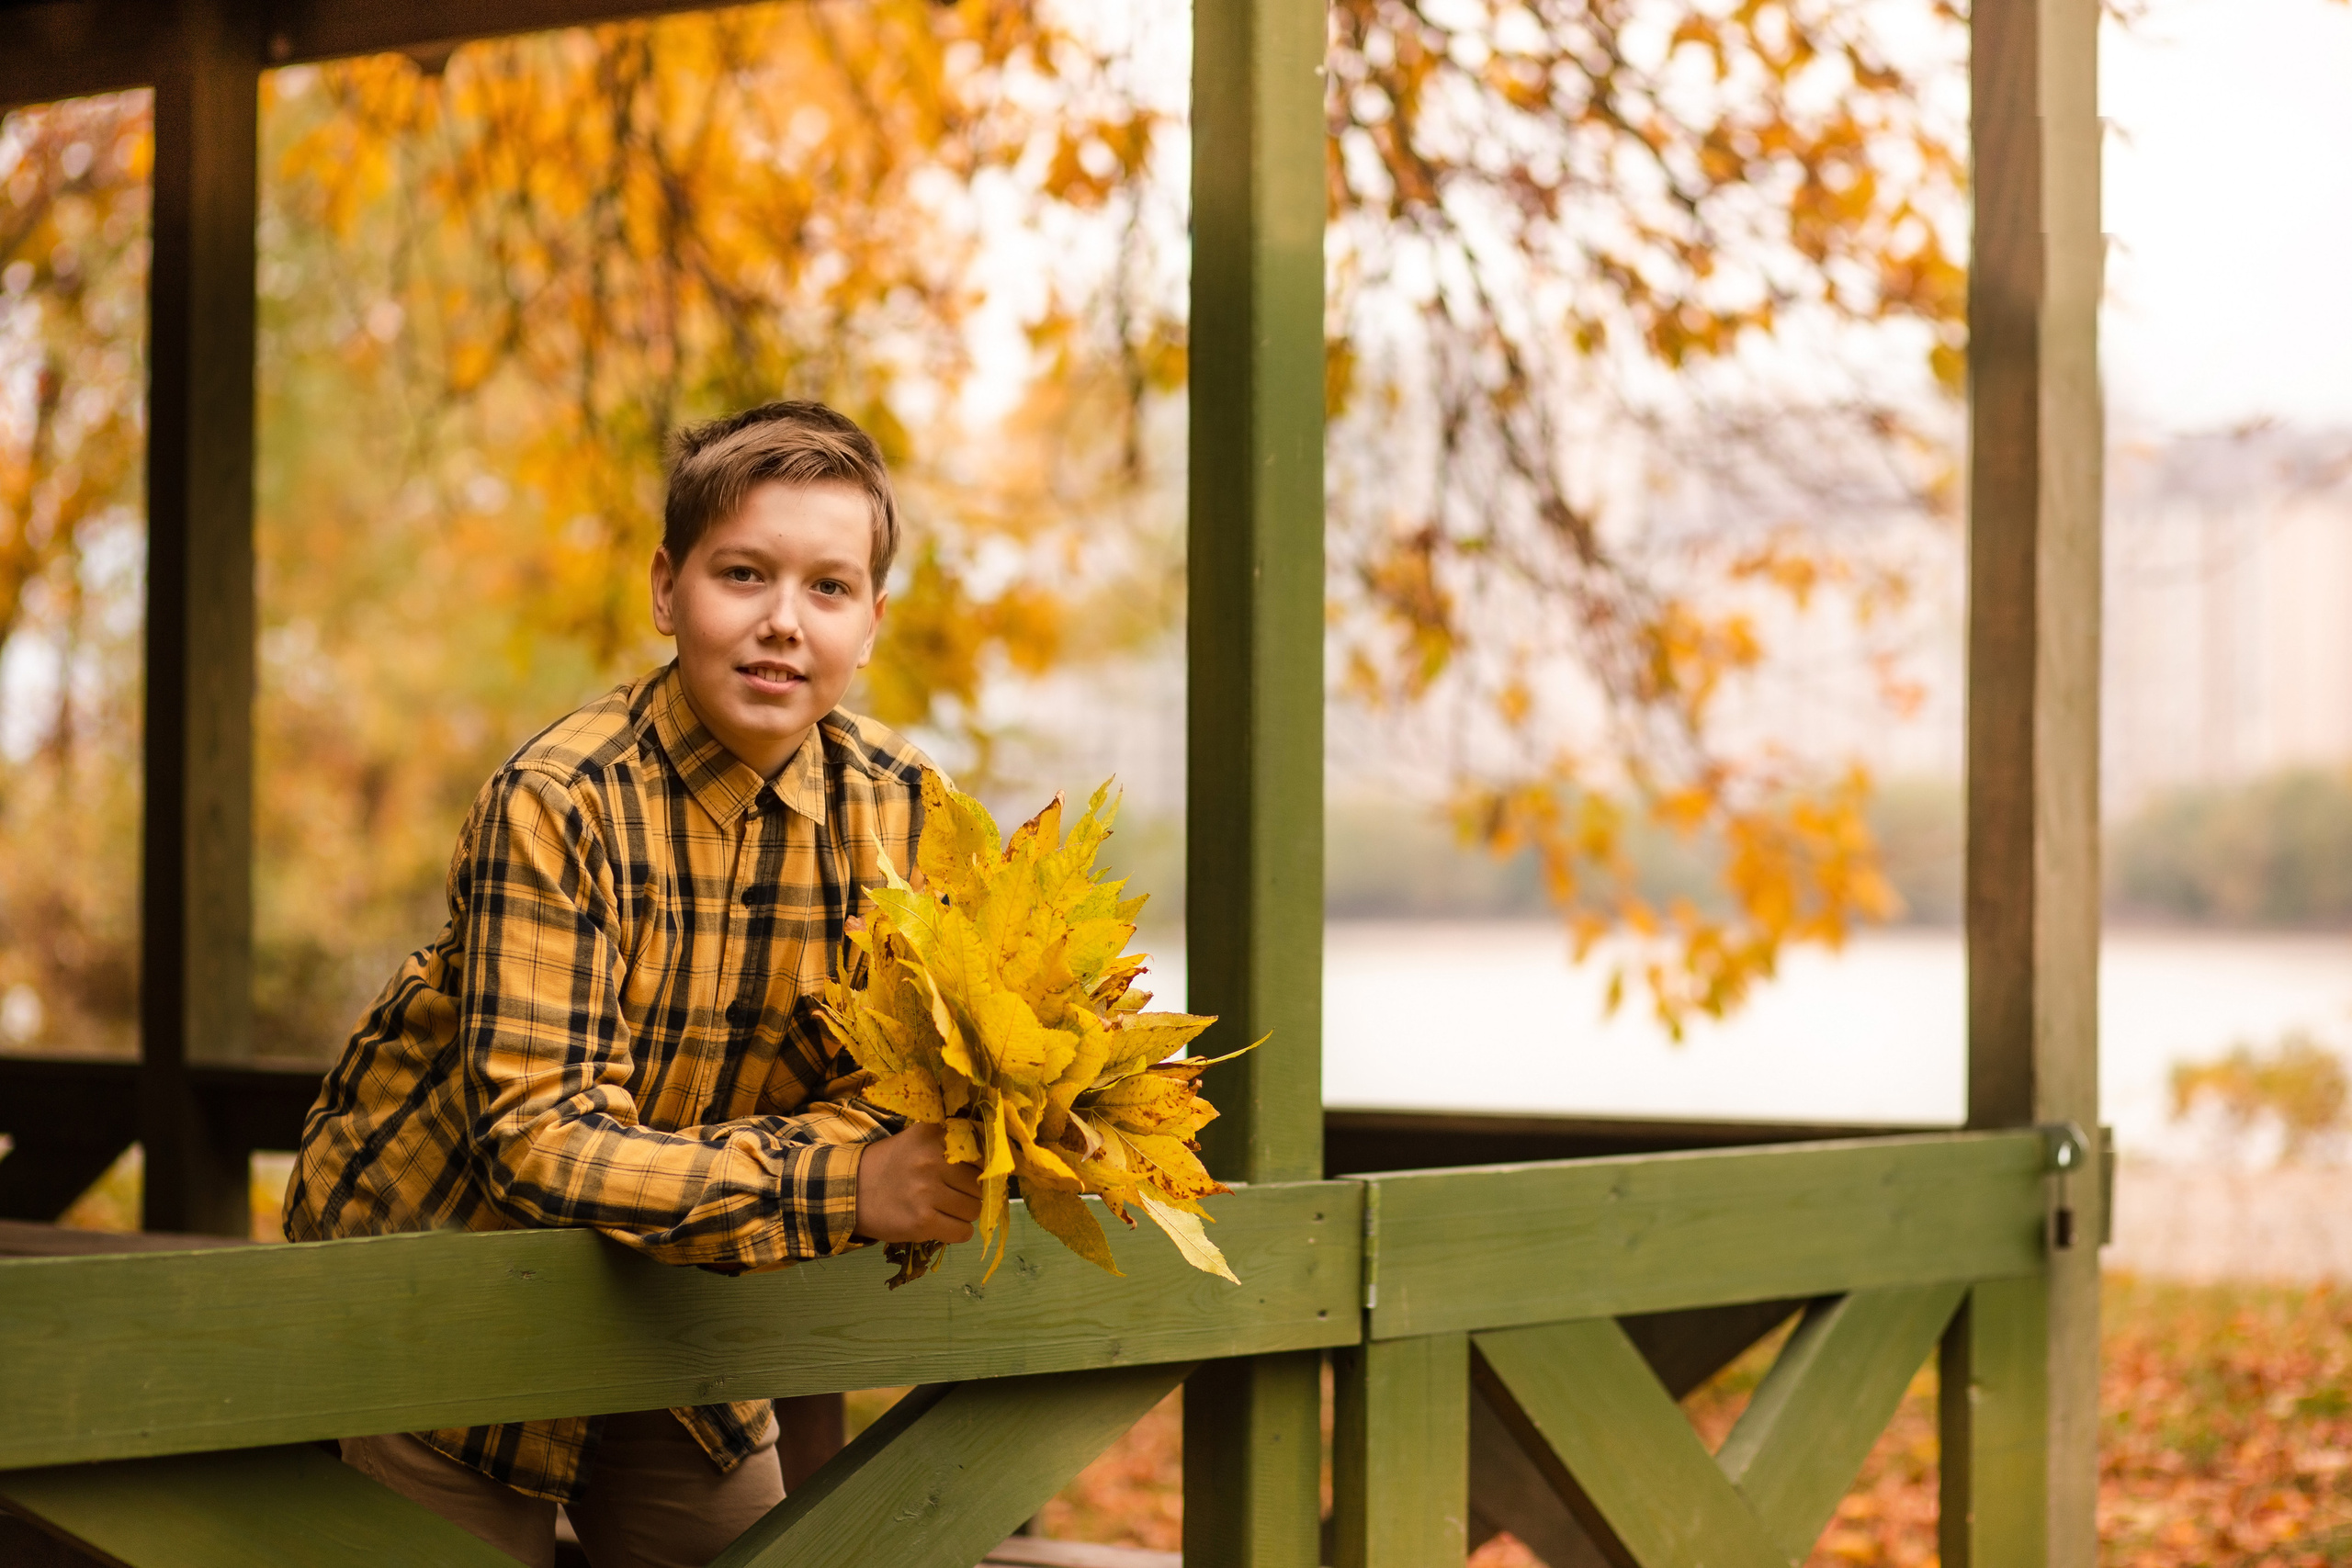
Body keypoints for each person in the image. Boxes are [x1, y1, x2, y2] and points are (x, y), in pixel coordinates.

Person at [282, 401, 982, 1567]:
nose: (779, 624)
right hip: (450, 1285)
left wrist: (860, 1154)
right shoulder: (562, 801)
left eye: (827, 588)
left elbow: (911, 1086)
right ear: (667, 591)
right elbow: (541, 1138)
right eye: (742, 574)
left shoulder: (905, 810)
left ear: (872, 621)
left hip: (679, 1302)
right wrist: (840, 1184)